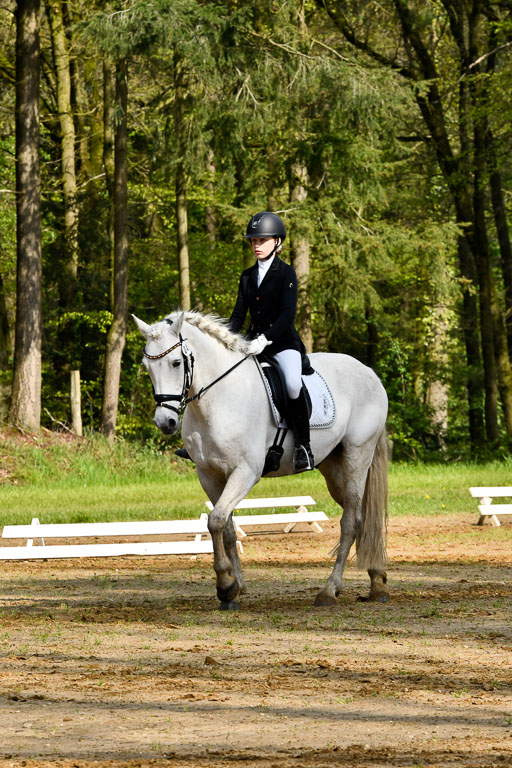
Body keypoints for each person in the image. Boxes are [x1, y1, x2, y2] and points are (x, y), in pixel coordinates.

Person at [228, 212, 314, 472]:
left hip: (282, 343)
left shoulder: (286, 272)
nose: (256, 245)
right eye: (253, 240)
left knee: (290, 384)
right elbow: (238, 315)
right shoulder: (246, 276)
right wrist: (227, 340)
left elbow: (288, 315)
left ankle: (303, 447)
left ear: (277, 241)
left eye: (262, 240)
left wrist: (266, 338)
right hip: (252, 343)